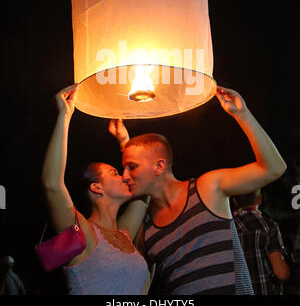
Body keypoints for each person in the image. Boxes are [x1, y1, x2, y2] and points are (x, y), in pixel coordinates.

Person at [111, 86, 287, 295]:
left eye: (132, 167)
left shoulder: (206, 189)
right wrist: (126, 145)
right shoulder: (147, 231)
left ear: (159, 166)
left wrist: (242, 114)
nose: (124, 175)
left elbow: (274, 168)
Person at [41, 83, 153, 295]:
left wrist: (125, 142)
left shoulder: (125, 233)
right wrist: (64, 117)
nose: (124, 176)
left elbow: (144, 188)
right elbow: (52, 184)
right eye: (115, 173)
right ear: (96, 187)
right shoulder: (81, 232)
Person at [231, 189, 290, 294]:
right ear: (259, 199)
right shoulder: (268, 226)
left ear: (235, 201)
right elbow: (281, 273)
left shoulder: (227, 228)